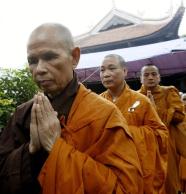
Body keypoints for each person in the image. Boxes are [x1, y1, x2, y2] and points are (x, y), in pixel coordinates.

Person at [0, 23, 143, 194]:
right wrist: (30, 151)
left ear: (74, 57)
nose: (39, 69)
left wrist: (55, 147)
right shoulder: (23, 113)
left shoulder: (104, 113)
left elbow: (125, 189)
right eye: (32, 61)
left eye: (50, 57)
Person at [99, 54, 168, 194]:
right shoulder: (97, 102)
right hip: (106, 169)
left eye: (111, 68)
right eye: (102, 70)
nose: (106, 74)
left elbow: (161, 134)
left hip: (136, 169)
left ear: (124, 71)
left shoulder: (141, 101)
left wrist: (126, 133)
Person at [139, 64, 186, 194]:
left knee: (168, 179)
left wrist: (156, 110)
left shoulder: (168, 92)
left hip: (167, 143)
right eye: (146, 75)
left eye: (154, 74)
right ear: (140, 79)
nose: (150, 77)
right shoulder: (135, 97)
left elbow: (180, 116)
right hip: (145, 145)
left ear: (159, 77)